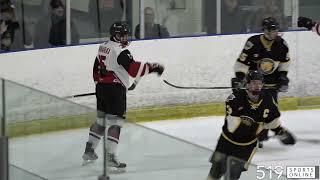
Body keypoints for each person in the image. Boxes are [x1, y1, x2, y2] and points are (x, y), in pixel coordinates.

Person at [82, 21, 164, 170]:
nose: (126, 37)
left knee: (101, 121)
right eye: (124, 35)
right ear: (117, 36)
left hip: (101, 89)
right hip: (115, 90)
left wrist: (100, 83)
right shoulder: (121, 51)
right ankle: (111, 156)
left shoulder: (103, 46)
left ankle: (89, 150)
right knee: (116, 123)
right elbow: (133, 70)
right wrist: (152, 67)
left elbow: (96, 69)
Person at [208, 70, 296, 180]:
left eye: (259, 83)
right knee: (215, 173)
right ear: (247, 84)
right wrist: (259, 128)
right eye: (254, 83)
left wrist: (281, 132)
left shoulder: (268, 101)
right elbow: (233, 127)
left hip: (246, 147)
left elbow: (273, 122)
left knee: (232, 177)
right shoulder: (235, 98)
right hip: (226, 142)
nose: (257, 86)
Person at [231, 17, 292, 148]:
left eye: (276, 30)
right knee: (252, 110)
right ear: (265, 31)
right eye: (272, 30)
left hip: (271, 85)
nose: (275, 33)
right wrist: (240, 78)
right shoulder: (253, 43)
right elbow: (242, 63)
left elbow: (284, 64)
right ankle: (255, 133)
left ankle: (266, 131)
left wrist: (283, 77)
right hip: (254, 85)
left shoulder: (282, 44)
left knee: (269, 109)